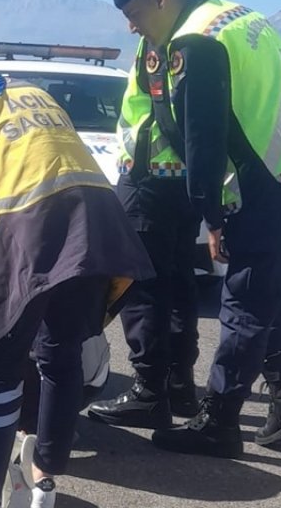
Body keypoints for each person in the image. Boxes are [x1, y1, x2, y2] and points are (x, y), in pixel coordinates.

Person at [106, 0, 281, 458]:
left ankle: (219, 422)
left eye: (133, 12)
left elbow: (203, 145)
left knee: (243, 293)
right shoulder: (227, 13)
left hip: (278, 173)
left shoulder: (193, 43)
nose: (130, 26)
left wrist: (212, 220)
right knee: (264, 283)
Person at [0, 27, 153, 508]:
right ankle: (43, 484)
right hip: (97, 220)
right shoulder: (23, 90)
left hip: (29, 226)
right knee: (61, 356)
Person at [86, 38, 211, 430]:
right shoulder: (197, 38)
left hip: (148, 178)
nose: (130, 22)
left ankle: (149, 392)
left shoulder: (159, 39)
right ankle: (179, 386)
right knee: (178, 284)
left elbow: (153, 108)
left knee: (142, 288)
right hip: (185, 181)